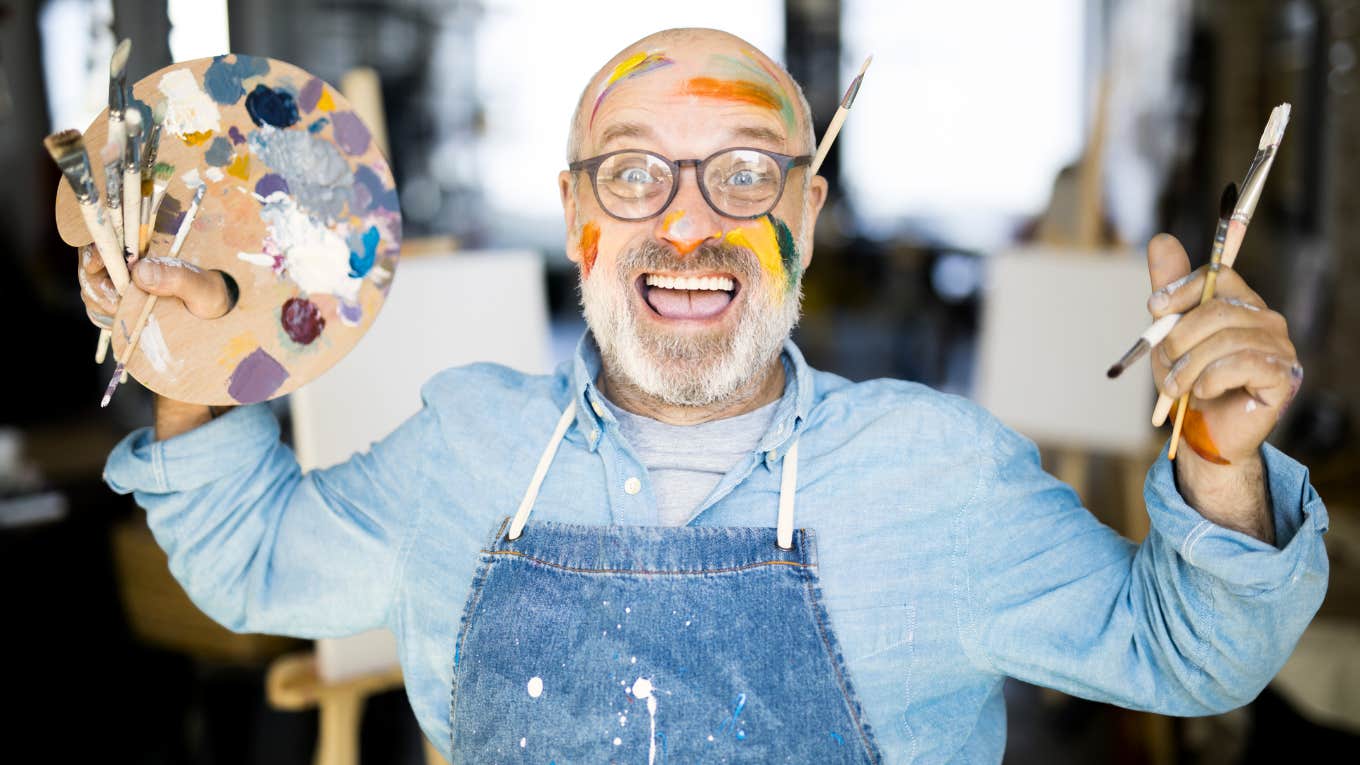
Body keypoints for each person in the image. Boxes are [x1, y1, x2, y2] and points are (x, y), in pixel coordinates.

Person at [84, 28, 1328, 764]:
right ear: (577, 219)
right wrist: (194, 350)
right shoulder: (466, 444)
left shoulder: (935, 472)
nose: (688, 226)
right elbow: (247, 559)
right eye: (633, 177)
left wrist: (1219, 468)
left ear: (808, 210)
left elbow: (1191, 658)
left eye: (744, 175)